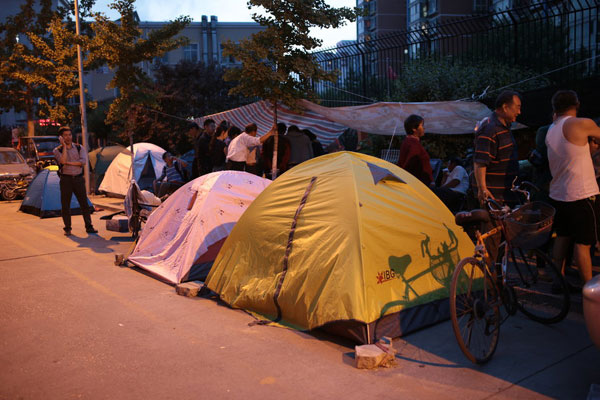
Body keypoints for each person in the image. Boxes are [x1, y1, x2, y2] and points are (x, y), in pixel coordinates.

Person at [546, 90, 600, 286]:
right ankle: (589, 291)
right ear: (576, 104)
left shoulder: (551, 129)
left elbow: (571, 152)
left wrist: (589, 150)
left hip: (559, 194)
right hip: (581, 194)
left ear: (555, 108)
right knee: (584, 244)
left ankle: (557, 282)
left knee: (562, 236)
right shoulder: (581, 124)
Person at [473, 90, 522, 206]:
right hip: (492, 196)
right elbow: (480, 162)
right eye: (517, 107)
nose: (519, 112)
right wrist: (482, 189)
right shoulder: (490, 129)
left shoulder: (504, 127)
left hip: (505, 194)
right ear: (505, 107)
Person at [53, 126, 97, 236]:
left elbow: (83, 162)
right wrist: (63, 147)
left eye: (69, 135)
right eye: (65, 135)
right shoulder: (57, 150)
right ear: (61, 137)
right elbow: (62, 161)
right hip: (66, 179)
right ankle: (67, 228)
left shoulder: (79, 148)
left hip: (78, 178)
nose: (68, 137)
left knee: (84, 204)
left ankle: (89, 226)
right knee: (65, 205)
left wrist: (69, 163)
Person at [398, 114, 433, 186]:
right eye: (422, 125)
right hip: (418, 184)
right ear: (414, 128)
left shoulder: (410, 141)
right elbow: (409, 164)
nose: (424, 128)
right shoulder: (412, 143)